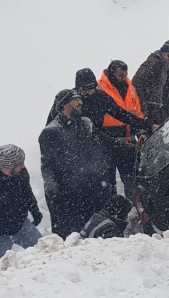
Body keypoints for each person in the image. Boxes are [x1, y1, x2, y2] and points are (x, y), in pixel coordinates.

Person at [47, 68, 157, 198]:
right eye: (85, 89)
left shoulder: (101, 97)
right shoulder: (69, 102)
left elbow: (123, 115)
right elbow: (50, 128)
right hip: (78, 152)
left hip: (99, 143)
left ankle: (120, 209)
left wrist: (149, 125)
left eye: (92, 87)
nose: (89, 92)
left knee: (112, 180)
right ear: (78, 89)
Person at [40, 89, 113, 237]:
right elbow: (48, 168)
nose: (81, 102)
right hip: (67, 197)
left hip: (90, 190)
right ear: (64, 105)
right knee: (73, 238)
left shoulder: (86, 123)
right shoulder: (51, 132)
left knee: (95, 232)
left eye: (80, 99)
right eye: (76, 100)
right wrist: (56, 197)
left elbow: (104, 145)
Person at [97, 61, 157, 199]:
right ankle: (114, 214)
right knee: (108, 184)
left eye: (126, 74)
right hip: (107, 145)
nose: (124, 78)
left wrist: (142, 132)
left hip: (127, 144)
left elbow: (136, 114)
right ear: (112, 75)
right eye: (120, 75)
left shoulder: (130, 88)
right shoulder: (99, 89)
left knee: (131, 181)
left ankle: (136, 208)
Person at [133, 40, 169, 124]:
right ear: (163, 51)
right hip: (148, 108)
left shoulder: (167, 67)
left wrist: (165, 113)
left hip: (158, 108)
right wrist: (143, 107)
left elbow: (167, 92)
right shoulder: (152, 62)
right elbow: (136, 82)